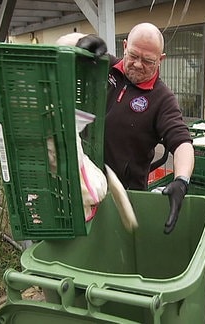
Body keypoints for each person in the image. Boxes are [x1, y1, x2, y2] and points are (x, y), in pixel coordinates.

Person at [56, 23, 194, 234]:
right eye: (133, 55)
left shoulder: (162, 99)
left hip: (122, 196)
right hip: (83, 182)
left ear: (161, 60)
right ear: (124, 46)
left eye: (148, 61)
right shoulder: (105, 66)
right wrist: (84, 40)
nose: (138, 65)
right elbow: (61, 46)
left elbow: (182, 141)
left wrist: (181, 180)